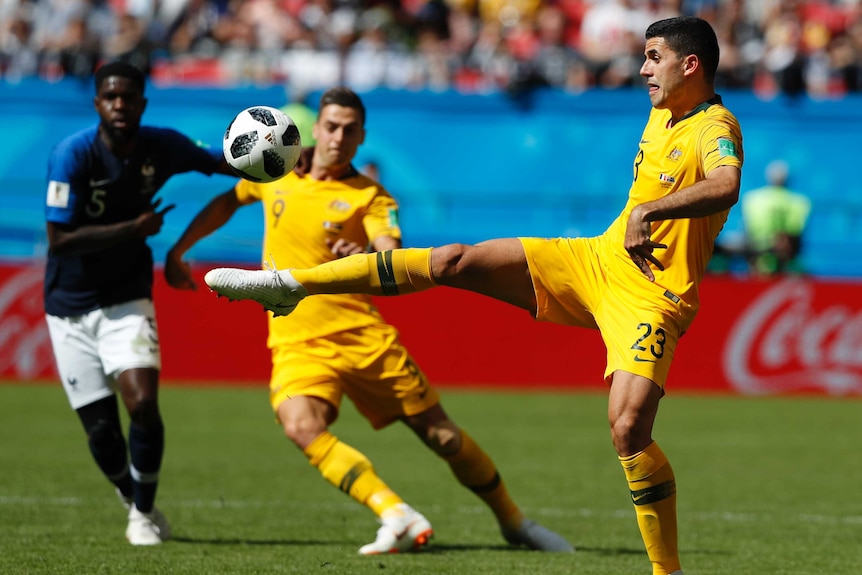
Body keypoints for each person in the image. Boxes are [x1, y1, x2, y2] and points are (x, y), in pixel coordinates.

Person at [204, 16, 743, 574]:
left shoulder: (715, 125)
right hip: (598, 259)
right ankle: (290, 285)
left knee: (629, 430)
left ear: (691, 64)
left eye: (653, 57)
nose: (642, 68)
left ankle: (666, 571)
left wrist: (651, 211)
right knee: (452, 259)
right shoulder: (661, 114)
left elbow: (726, 184)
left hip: (654, 295)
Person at [165, 86, 573, 555]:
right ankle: (394, 513)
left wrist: (363, 253)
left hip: (362, 337)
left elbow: (390, 253)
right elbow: (228, 201)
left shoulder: (372, 196)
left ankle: (514, 521)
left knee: (442, 437)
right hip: (296, 339)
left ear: (362, 138)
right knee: (300, 426)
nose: (339, 137)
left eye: (349, 130)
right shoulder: (273, 169)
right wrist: (180, 249)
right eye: (331, 126)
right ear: (314, 130)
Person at [43, 61, 232, 545]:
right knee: (102, 433)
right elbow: (59, 240)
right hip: (68, 307)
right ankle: (135, 499)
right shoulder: (73, 155)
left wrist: (286, 159)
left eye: (129, 97)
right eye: (111, 97)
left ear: (143, 104)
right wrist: (134, 228)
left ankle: (142, 513)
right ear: (97, 104)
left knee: (143, 404)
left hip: (128, 298)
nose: (120, 105)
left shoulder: (161, 145)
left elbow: (216, 161)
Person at [740, 159, 810, 275]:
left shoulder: (751, 198)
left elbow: (747, 230)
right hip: (780, 255)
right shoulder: (800, 202)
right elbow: (795, 232)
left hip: (757, 253)